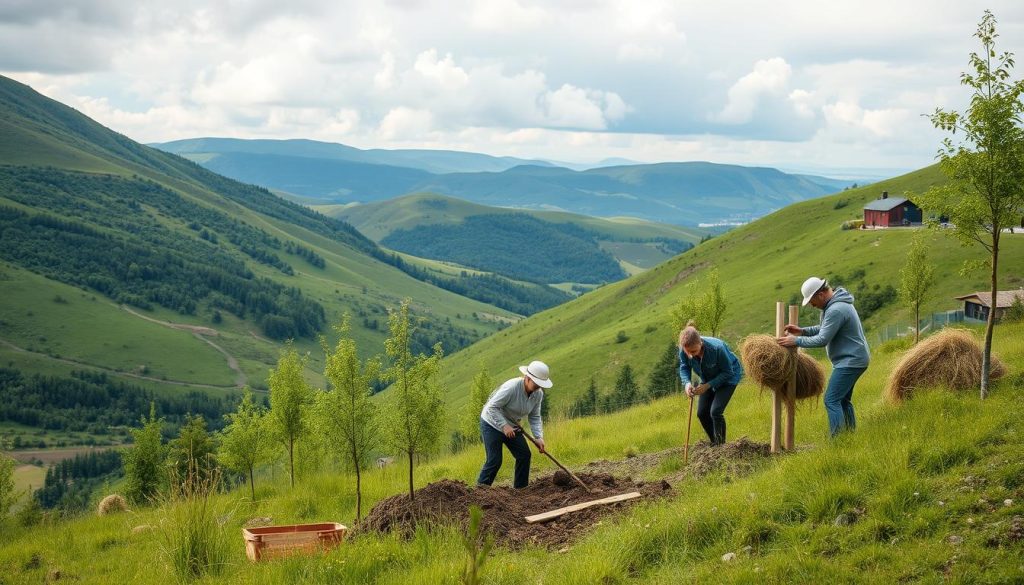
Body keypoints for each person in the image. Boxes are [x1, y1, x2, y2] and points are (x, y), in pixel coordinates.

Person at [777, 277, 870, 437]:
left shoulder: (836, 309)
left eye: (812, 302)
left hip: (850, 361)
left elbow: (822, 339)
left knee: (831, 400)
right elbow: (825, 328)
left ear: (820, 294)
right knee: (842, 400)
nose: (813, 306)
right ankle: (849, 436)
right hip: (855, 359)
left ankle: (838, 440)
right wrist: (803, 331)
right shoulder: (838, 305)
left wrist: (796, 340)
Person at [476, 360, 552, 488]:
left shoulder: (538, 394)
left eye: (540, 385)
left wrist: (538, 437)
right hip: (492, 423)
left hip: (512, 425)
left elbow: (534, 416)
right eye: (536, 384)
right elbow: (491, 407)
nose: (538, 387)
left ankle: (520, 490)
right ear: (527, 378)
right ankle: (480, 491)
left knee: (524, 455)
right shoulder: (511, 387)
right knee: (494, 460)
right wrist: (504, 426)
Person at [678, 322, 744, 445]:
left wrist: (707, 386)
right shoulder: (684, 349)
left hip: (729, 377)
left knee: (715, 411)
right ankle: (715, 443)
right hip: (707, 377)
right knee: (702, 413)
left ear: (700, 343)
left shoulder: (717, 348)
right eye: (689, 353)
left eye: (694, 351)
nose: (691, 355)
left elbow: (727, 372)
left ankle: (721, 447)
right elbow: (684, 366)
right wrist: (687, 384)